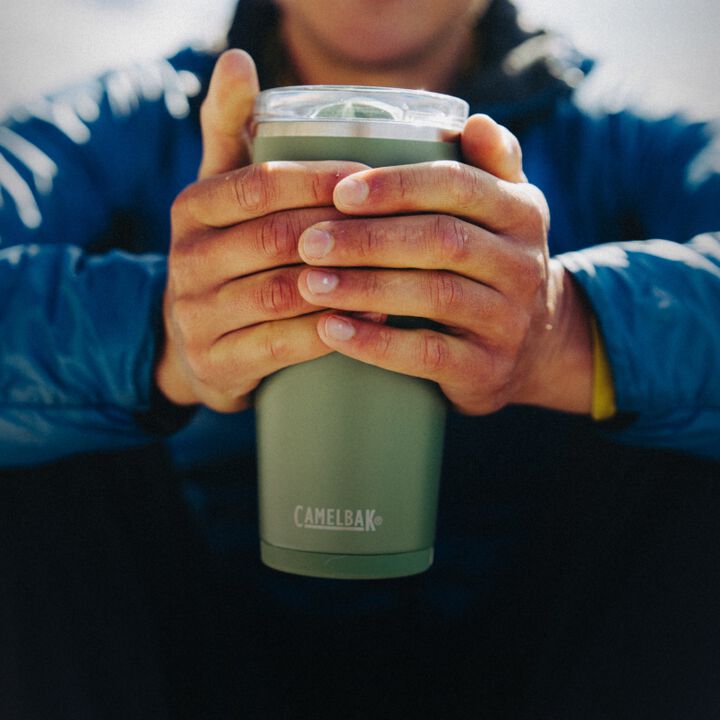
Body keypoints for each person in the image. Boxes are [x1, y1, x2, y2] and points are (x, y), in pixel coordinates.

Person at [1, 0, 719, 717]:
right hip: (169, 646)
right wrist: (157, 334)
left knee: (682, 418)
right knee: (47, 424)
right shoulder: (128, 124)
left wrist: (570, 330)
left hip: (553, 651)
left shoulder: (618, 135)